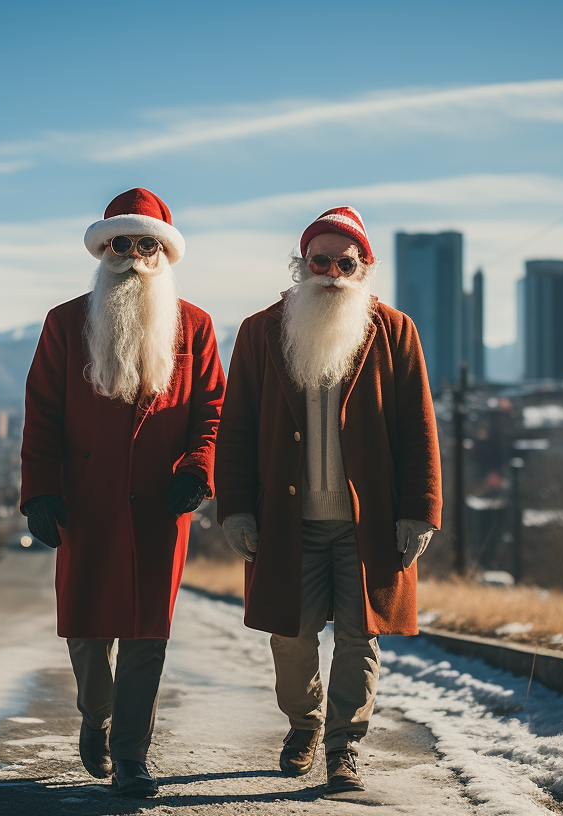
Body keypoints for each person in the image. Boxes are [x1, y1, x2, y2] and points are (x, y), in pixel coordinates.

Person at [214, 206, 441, 794]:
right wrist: (235, 506)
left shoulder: (394, 331)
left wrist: (420, 511)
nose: (334, 271)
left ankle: (344, 747)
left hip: (367, 523)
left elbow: (419, 429)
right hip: (287, 522)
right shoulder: (261, 330)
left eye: (348, 261)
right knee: (290, 637)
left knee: (359, 636)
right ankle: (305, 721)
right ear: (302, 263)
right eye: (322, 260)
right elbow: (235, 427)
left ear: (364, 267)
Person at [19, 187, 226, 798]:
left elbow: (213, 408)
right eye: (119, 244)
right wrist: (40, 493)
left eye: (145, 244)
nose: (132, 255)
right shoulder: (64, 322)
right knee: (86, 630)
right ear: (103, 250)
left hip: (160, 504)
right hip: (85, 498)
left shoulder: (197, 325)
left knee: (146, 635)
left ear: (164, 252)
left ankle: (131, 756)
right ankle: (96, 715)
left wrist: (198, 470)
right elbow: (42, 414)